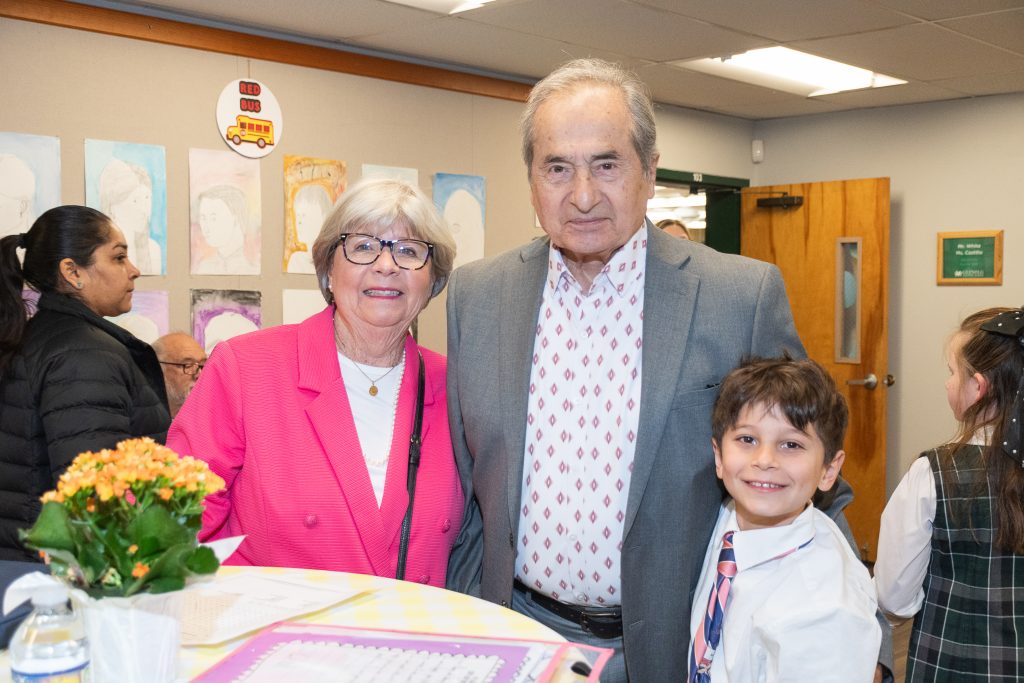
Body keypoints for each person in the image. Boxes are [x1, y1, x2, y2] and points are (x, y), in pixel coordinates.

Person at [445, 58, 891, 683]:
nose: (582, 194)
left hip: (675, 643)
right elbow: (465, 485)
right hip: (517, 631)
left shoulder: (738, 295)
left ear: (649, 172)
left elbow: (805, 460)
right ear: (531, 181)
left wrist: (861, 643)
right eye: (557, 168)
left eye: (607, 164)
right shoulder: (478, 296)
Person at [167, 178, 462, 585]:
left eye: (409, 251)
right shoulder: (246, 369)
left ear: (433, 280)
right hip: (276, 636)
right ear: (327, 270)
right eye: (363, 247)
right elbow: (171, 526)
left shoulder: (457, 388)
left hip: (412, 643)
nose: (387, 265)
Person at [689, 356, 881, 681]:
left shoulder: (825, 612)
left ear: (829, 470)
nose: (764, 460)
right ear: (719, 457)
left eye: (791, 444)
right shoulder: (727, 520)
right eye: (747, 439)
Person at [0, 205, 170, 561]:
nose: (134, 271)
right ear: (72, 271)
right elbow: (95, 500)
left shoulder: (38, 335)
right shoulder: (84, 354)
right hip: (57, 576)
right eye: (119, 257)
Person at [874, 306, 1024, 682]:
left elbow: (895, 597)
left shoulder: (932, 473)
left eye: (952, 372)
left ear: (978, 386)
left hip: (951, 664)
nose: (946, 383)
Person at [99, 158, 162, 275]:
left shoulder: (153, 249)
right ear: (113, 206)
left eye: (147, 198)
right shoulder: (100, 253)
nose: (144, 208)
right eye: (135, 200)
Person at [193, 184, 258, 274]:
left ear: (236, 218)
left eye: (213, 218)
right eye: (203, 218)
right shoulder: (204, 267)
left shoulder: (254, 267)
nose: (206, 228)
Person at [152, 332, 207, 418]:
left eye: (203, 365)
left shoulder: (216, 420)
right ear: (157, 369)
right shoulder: (138, 422)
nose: (199, 374)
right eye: (187, 365)